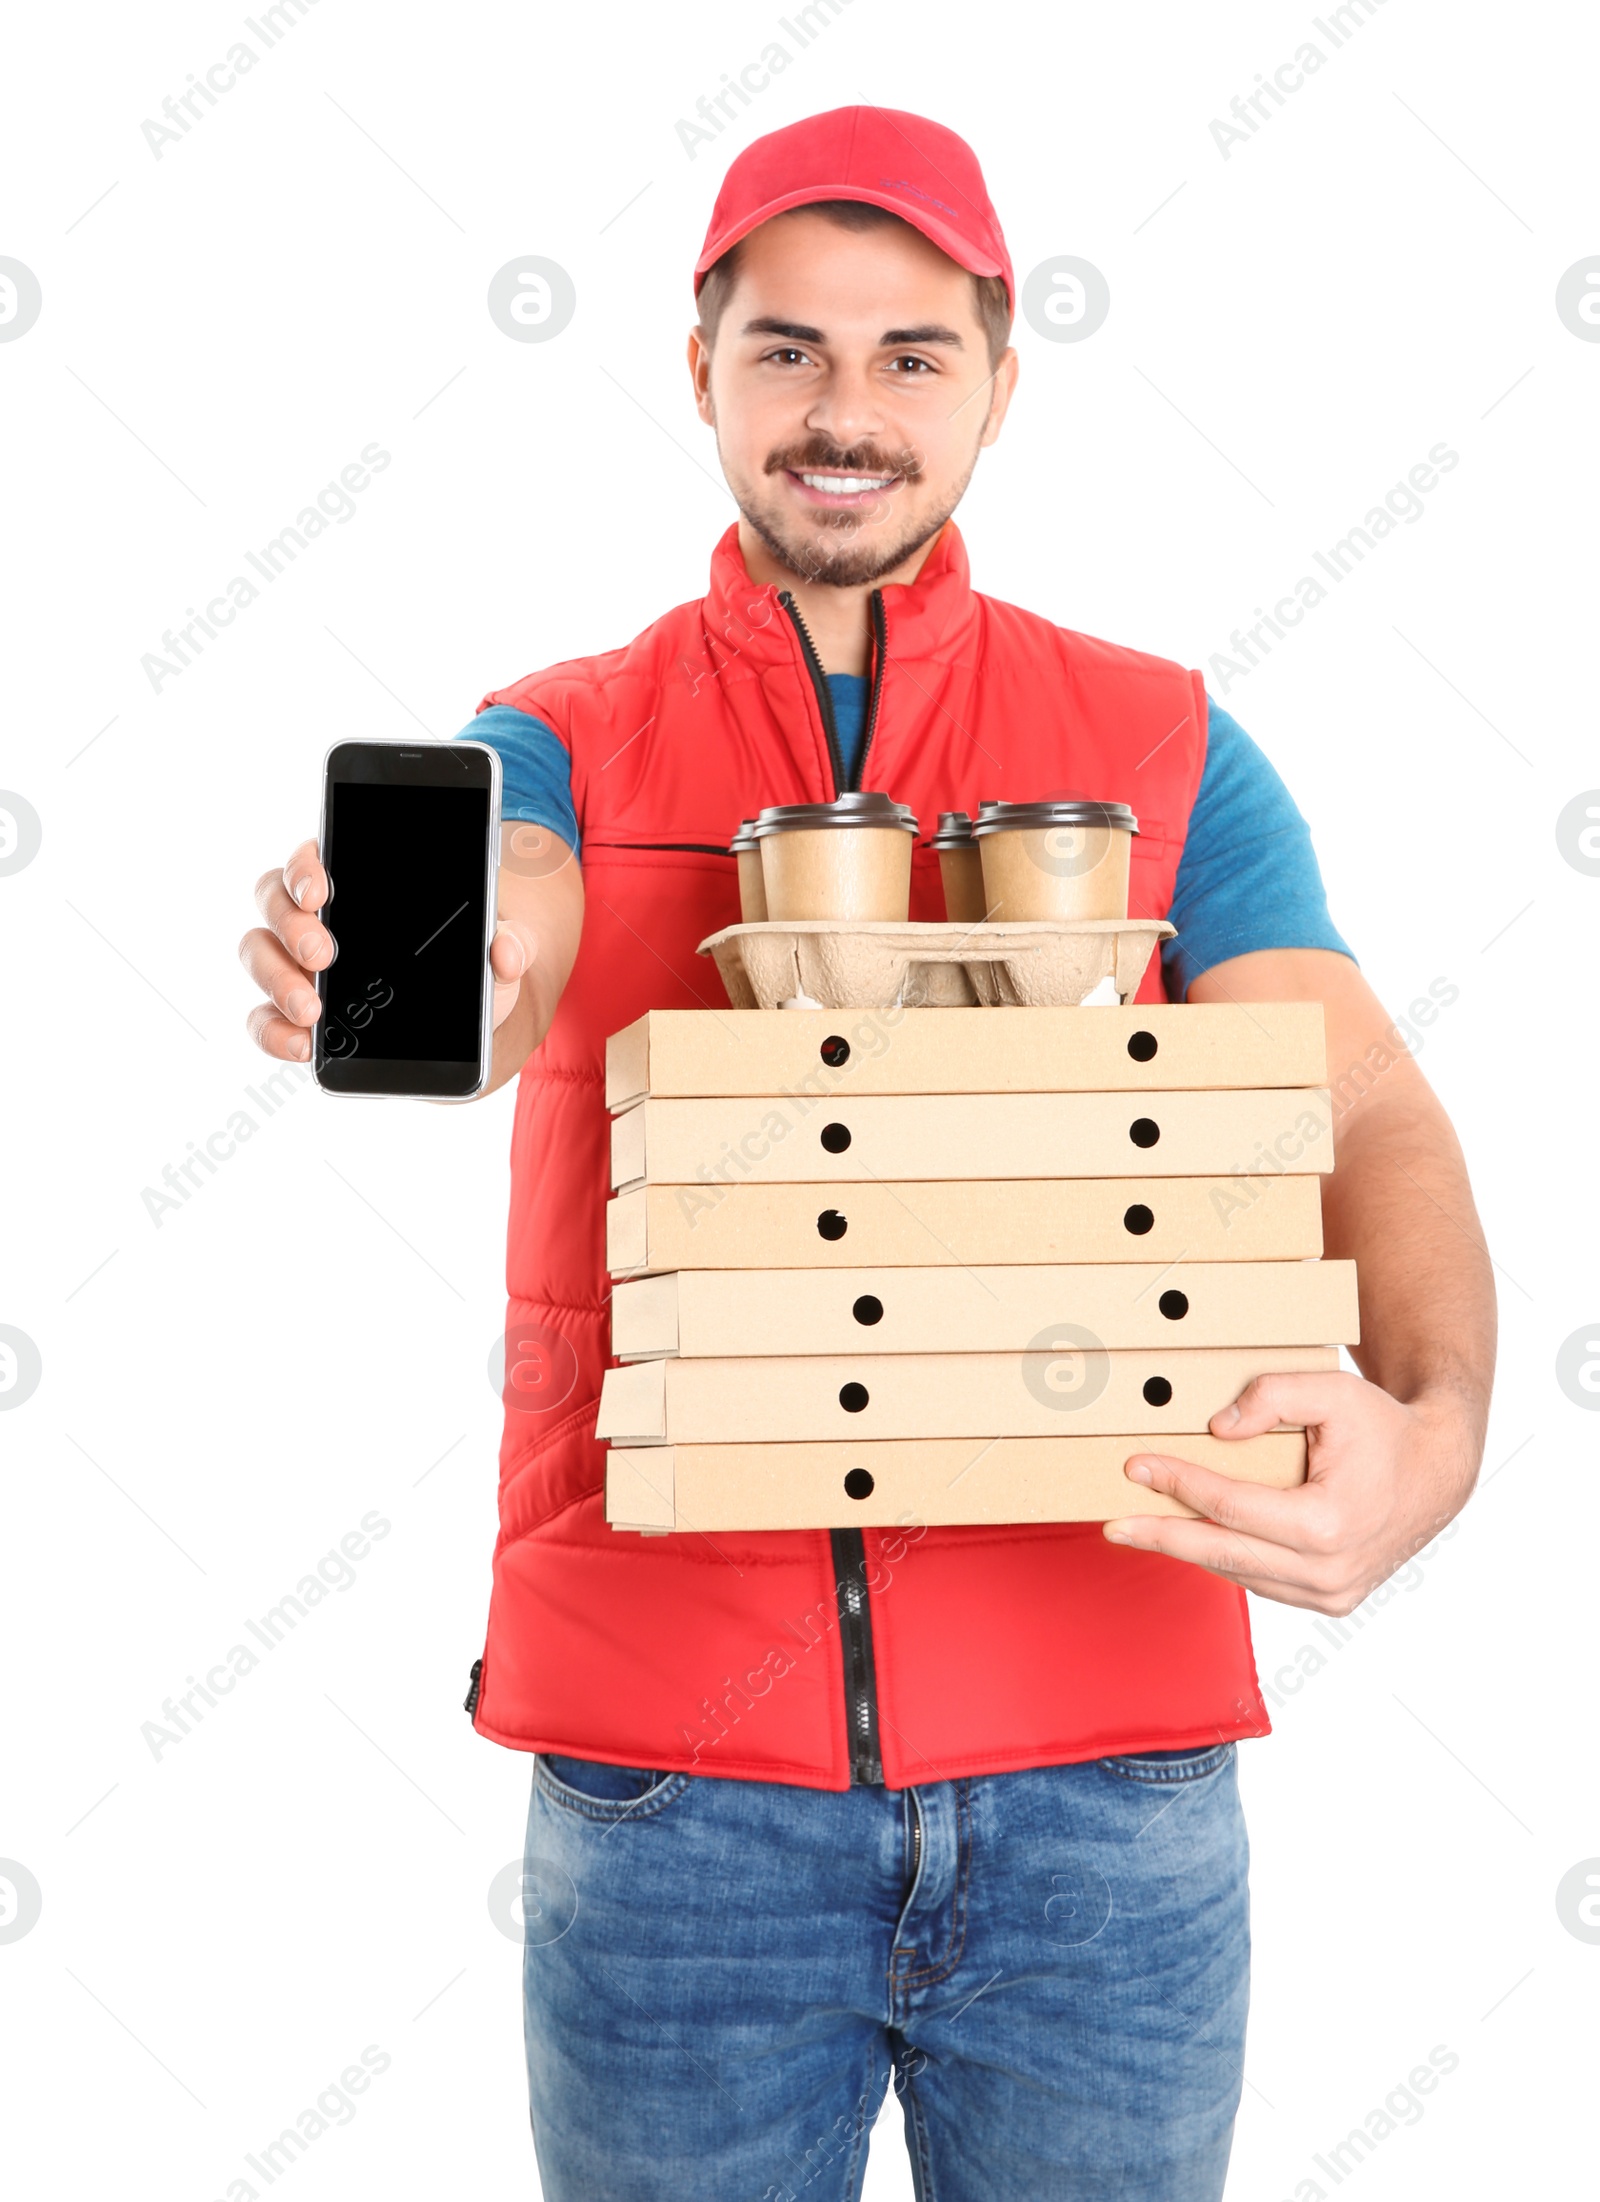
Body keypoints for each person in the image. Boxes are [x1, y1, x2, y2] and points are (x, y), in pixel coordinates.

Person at [239, 107, 1494, 2202]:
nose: (845, 411)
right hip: (674, 1809)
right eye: (787, 348)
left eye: (909, 354)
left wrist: (1435, 1432)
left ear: (1001, 377)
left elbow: (1357, 1105)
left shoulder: (1158, 745)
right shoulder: (559, 734)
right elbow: (504, 927)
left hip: (1109, 1793)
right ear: (700, 368)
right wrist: (414, 973)